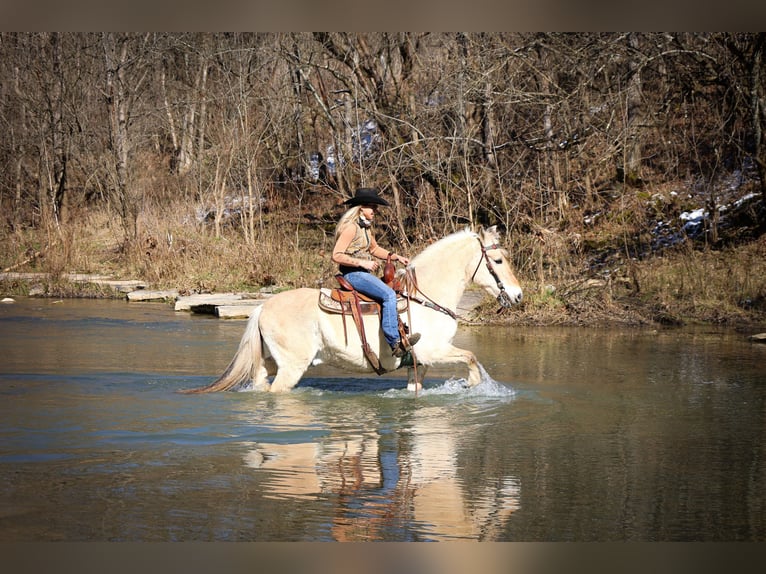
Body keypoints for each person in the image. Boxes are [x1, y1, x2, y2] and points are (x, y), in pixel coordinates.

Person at [332, 187, 420, 358]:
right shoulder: (351, 228)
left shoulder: (365, 228)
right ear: (360, 208)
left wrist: (396, 257)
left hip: (362, 273)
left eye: (376, 207)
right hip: (353, 274)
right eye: (372, 207)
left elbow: (374, 249)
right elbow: (336, 255)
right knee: (388, 295)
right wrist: (362, 262)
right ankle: (395, 342)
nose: (375, 210)